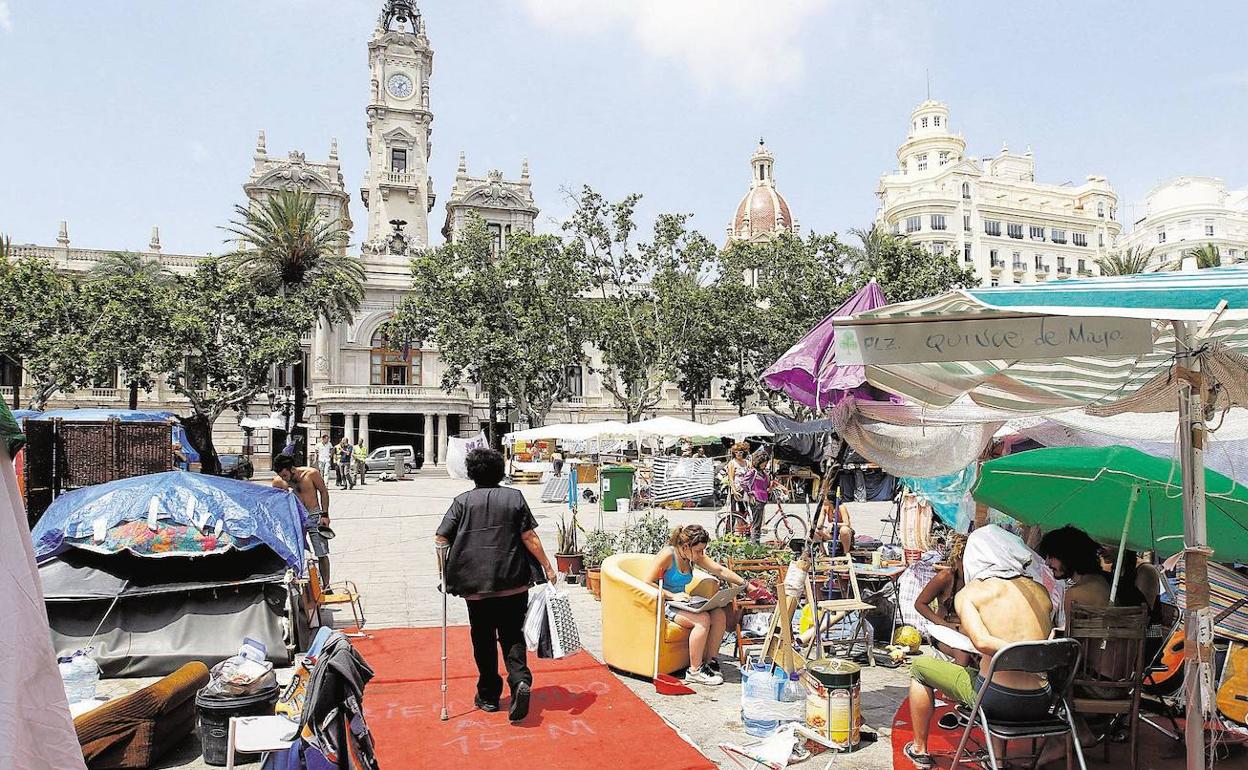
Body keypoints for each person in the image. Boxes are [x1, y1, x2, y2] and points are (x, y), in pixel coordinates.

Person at [905, 525, 1054, 769]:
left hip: (997, 699)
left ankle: (920, 749)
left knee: (920, 667)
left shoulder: (972, 593)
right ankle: (996, 757)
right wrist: (1025, 652)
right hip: (1041, 698)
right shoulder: (1040, 591)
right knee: (993, 672)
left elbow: (981, 642)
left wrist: (1013, 651)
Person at [435, 448, 556, 723]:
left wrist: (444, 573)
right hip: (512, 581)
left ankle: (489, 695)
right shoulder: (514, 497)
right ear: (500, 471)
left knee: (483, 638)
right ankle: (519, 681)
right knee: (512, 635)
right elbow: (529, 536)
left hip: (475, 586)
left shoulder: (462, 502)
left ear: (472, 473)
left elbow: (441, 538)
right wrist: (547, 567)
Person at [643, 524, 747, 686]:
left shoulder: (692, 555)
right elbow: (647, 581)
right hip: (665, 602)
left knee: (719, 614)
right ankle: (694, 671)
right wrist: (672, 595)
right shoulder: (668, 555)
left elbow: (719, 570)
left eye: (703, 550)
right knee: (702, 620)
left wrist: (747, 585)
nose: (701, 554)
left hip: (683, 602)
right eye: (698, 551)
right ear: (685, 546)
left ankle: (710, 661)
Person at [271, 454, 332, 589]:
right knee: (294, 552)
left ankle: (326, 586)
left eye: (285, 475)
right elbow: (277, 503)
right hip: (296, 518)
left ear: (292, 469)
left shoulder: (311, 474)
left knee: (321, 552)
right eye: (281, 476)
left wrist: (325, 514)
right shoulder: (279, 482)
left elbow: (323, 492)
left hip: (314, 515)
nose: (283, 478)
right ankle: (297, 584)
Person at [913, 533, 973, 665]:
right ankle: (955, 683)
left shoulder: (979, 579)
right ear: (957, 560)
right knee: (963, 652)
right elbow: (920, 604)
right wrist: (944, 624)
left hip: (970, 631)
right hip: (945, 631)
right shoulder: (945, 577)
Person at [1037, 525, 1110, 614]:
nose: (1047, 563)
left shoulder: (1073, 594)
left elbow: (1070, 628)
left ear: (1068, 556)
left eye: (1051, 556)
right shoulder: (1102, 581)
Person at [746, 454, 778, 544]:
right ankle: (754, 544)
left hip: (763, 499)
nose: (765, 464)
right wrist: (751, 493)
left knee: (759, 523)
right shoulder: (753, 472)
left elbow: (766, 486)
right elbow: (743, 482)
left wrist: (771, 485)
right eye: (764, 463)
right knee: (756, 524)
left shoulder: (763, 473)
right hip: (756, 499)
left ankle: (756, 542)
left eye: (766, 463)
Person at [725, 443, 752, 530]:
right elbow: (731, 478)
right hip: (736, 489)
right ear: (734, 453)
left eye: (740, 452)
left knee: (744, 510)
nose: (739, 454)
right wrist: (734, 490)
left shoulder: (747, 463)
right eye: (736, 452)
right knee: (733, 511)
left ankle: (743, 530)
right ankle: (728, 531)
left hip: (745, 490)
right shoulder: (732, 463)